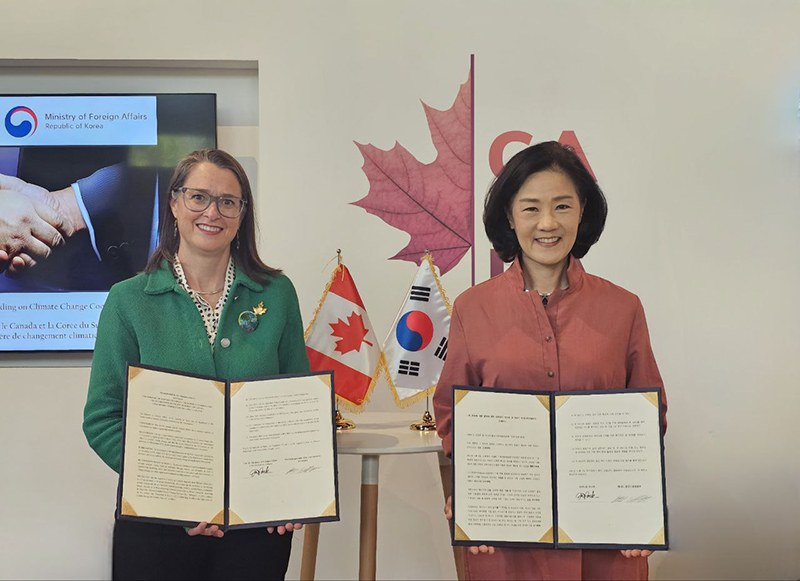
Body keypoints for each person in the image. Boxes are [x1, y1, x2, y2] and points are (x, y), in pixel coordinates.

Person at [432, 141, 667, 581]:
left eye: (562, 206)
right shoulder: (471, 308)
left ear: (582, 213)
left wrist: (643, 504)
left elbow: (649, 416)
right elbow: (451, 412)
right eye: (530, 208)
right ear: (508, 216)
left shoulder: (624, 308)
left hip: (607, 535)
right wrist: (470, 490)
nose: (547, 223)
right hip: (504, 535)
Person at [83, 149, 309, 581]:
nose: (213, 212)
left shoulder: (277, 294)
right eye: (198, 197)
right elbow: (103, 419)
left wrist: (292, 494)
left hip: (257, 524)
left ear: (242, 214)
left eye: (228, 201)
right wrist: (176, 497)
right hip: (156, 526)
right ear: (174, 203)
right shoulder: (127, 300)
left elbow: (297, 407)